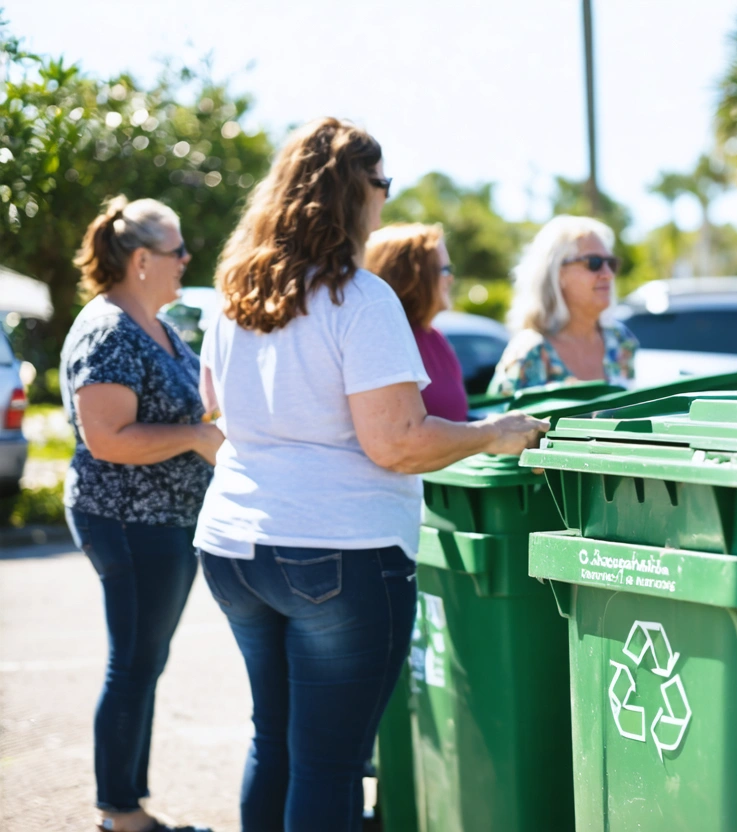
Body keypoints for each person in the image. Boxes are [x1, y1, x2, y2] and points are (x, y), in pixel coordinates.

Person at [193, 117, 547, 832]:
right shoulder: (359, 298)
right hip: (337, 553)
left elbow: (215, 409)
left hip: (234, 544)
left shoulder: (237, 293)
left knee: (277, 739)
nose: (386, 199)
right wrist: (493, 435)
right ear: (354, 193)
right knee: (327, 763)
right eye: (383, 184)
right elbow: (396, 443)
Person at [60, 196, 222, 832]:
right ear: (141, 259)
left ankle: (128, 805)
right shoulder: (109, 329)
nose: (187, 259)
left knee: (141, 661)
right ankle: (120, 814)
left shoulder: (150, 321)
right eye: (177, 250)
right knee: (133, 662)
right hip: (128, 522)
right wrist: (194, 439)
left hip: (160, 522)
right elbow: (108, 439)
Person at [487, 215, 637, 395]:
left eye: (611, 263)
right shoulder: (531, 352)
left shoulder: (621, 340)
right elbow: (496, 419)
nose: (608, 274)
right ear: (557, 272)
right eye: (594, 263)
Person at [365, 223, 467, 420]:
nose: (451, 278)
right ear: (414, 275)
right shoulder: (386, 341)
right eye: (445, 269)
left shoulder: (434, 337)